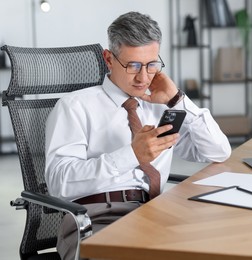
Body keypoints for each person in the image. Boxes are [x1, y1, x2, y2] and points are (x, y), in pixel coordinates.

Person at [45, 11, 231, 260]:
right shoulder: (75, 106)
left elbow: (218, 151)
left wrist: (178, 100)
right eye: (133, 65)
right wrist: (132, 154)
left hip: (156, 213)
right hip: (96, 219)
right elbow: (60, 183)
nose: (144, 77)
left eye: (152, 64)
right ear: (109, 59)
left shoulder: (160, 106)